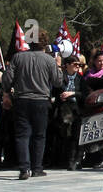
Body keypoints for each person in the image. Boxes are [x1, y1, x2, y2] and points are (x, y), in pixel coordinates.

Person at [4, 41, 64, 179]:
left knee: (22, 135)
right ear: (44, 44)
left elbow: (7, 79)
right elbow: (57, 82)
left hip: (21, 100)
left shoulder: (18, 57)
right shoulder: (49, 59)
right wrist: (58, 65)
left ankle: (24, 169)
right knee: (39, 135)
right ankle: (37, 168)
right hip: (41, 101)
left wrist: (7, 92)